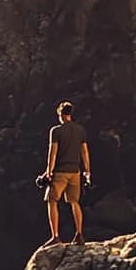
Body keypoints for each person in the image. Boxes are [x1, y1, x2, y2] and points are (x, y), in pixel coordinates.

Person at [42, 101, 91, 247]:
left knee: (51, 201)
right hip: (75, 172)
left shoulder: (56, 131)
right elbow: (85, 152)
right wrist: (87, 171)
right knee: (74, 202)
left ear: (61, 114)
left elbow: (53, 153)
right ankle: (79, 235)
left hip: (60, 173)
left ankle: (55, 236)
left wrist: (48, 172)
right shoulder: (80, 130)